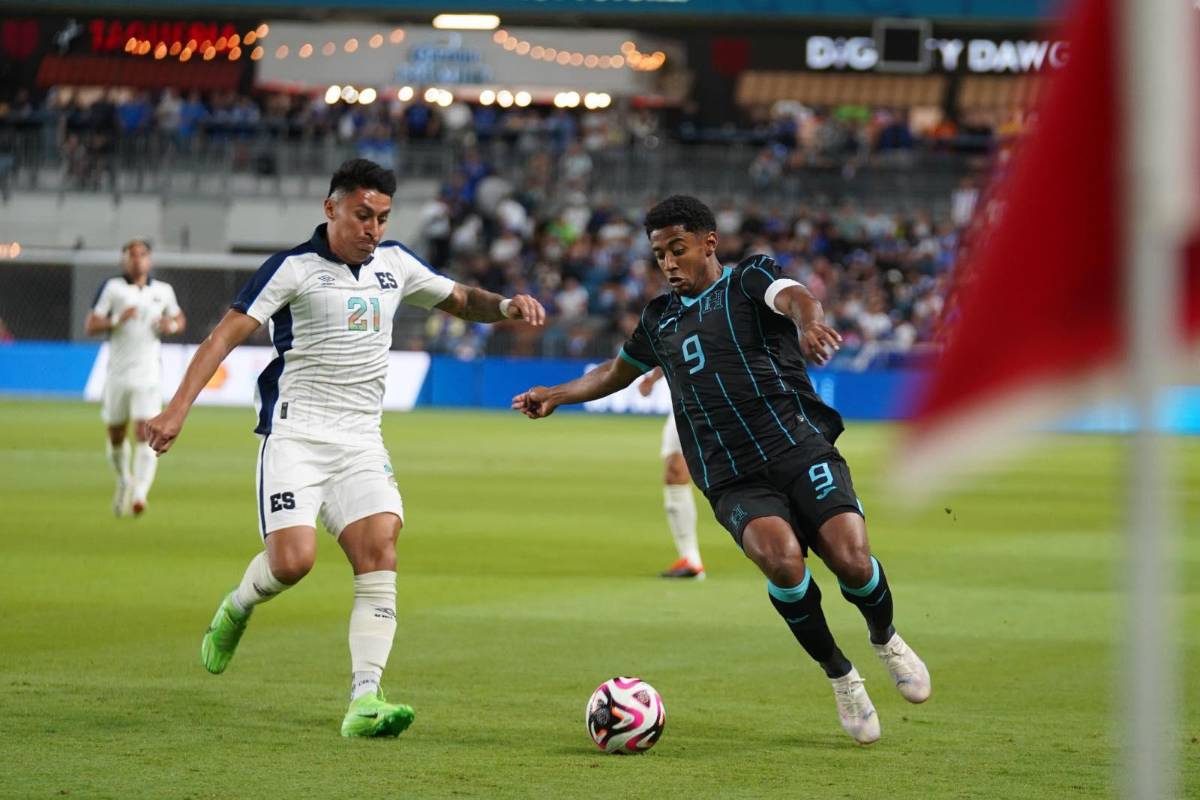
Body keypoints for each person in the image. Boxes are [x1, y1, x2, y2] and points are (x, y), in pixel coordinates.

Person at [145, 159, 546, 738]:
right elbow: (224, 335)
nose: (373, 229)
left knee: (380, 549)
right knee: (293, 563)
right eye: (363, 215)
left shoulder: (396, 264)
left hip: (361, 439)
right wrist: (179, 405)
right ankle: (237, 606)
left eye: (382, 218)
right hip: (296, 435)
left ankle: (365, 699)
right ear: (331, 209)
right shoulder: (292, 269)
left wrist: (505, 306)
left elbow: (460, 298)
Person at [513, 195, 929, 745]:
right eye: (658, 254)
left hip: (798, 447)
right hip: (732, 473)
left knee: (851, 559)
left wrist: (809, 323)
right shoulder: (659, 319)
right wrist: (558, 394)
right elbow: (617, 371)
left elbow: (796, 297)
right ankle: (841, 676)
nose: (667, 263)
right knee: (782, 563)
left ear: (708, 243)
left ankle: (886, 638)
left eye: (677, 249)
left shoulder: (749, 278)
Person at [85, 238, 185, 517]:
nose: (137, 260)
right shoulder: (113, 288)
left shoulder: (163, 291)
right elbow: (91, 324)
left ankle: (140, 492)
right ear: (124, 260)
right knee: (116, 435)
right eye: (132, 255)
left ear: (149, 260)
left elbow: (179, 319)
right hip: (117, 374)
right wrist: (117, 320)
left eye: (142, 255)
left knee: (144, 432)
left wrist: (171, 325)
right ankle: (123, 480)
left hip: (148, 374)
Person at [637, 368, 704, 579]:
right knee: (675, 471)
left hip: (730, 397)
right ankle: (690, 560)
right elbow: (668, 343)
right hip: (687, 400)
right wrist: (652, 378)